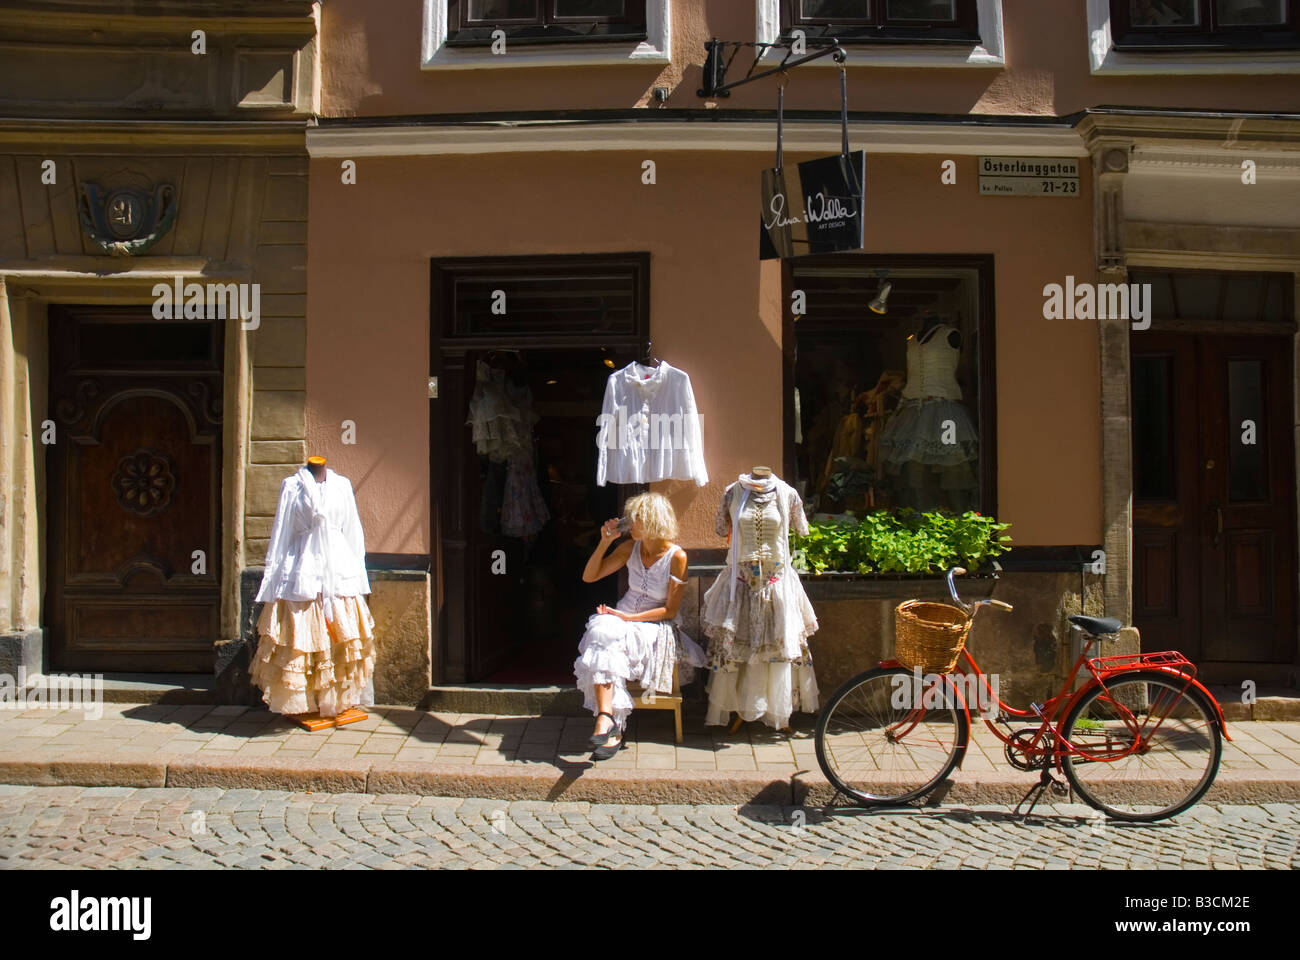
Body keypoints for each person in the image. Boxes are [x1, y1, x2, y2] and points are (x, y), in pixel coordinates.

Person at [572, 492, 705, 760]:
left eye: (635, 519)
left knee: (608, 633)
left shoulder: (676, 557)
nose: (629, 524)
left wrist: (626, 619)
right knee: (600, 630)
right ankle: (608, 718)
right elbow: (589, 576)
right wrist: (603, 543)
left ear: (653, 522)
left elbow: (670, 610)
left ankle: (612, 729)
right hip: (622, 618)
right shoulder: (629, 548)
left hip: (655, 624)